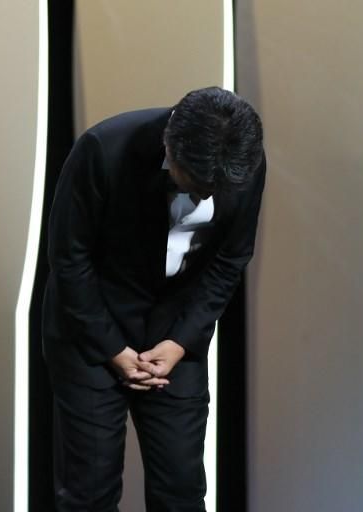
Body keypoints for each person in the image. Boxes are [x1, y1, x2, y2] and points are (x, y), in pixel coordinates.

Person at [42, 86, 266, 511]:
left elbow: (231, 258)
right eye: (199, 184)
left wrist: (181, 341)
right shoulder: (102, 150)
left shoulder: (243, 161)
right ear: (170, 147)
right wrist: (113, 349)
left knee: (182, 490)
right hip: (91, 330)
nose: (209, 195)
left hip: (174, 334)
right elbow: (69, 260)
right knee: (89, 492)